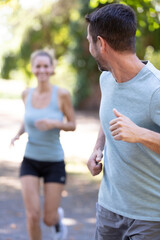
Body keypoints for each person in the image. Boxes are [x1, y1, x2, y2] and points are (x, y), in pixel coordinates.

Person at [86, 3, 160, 240]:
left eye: (89, 42)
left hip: (150, 217)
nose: (89, 48)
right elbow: (109, 113)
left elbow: (134, 131)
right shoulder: (106, 79)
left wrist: (140, 134)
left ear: (102, 43)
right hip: (108, 208)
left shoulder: (155, 89)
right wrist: (98, 147)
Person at [11, 49, 76, 240]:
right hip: (30, 159)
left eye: (46, 66)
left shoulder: (62, 95)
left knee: (48, 218)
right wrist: (18, 134)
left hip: (54, 161)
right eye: (38, 66)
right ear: (32, 68)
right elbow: (28, 119)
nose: (42, 70)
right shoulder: (26, 94)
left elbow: (72, 124)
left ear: (52, 68)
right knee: (32, 216)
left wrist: (54, 123)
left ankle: (57, 221)